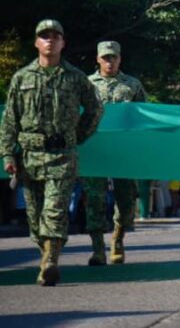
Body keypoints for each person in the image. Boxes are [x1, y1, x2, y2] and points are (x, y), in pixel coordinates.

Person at [1, 19, 103, 286]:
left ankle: (50, 261)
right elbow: (10, 118)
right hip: (30, 157)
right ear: (36, 42)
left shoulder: (75, 77)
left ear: (62, 43)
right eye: (44, 36)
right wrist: (8, 155)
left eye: (55, 36)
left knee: (55, 210)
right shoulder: (22, 77)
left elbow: (95, 109)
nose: (50, 40)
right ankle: (45, 251)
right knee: (35, 218)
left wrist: (78, 136)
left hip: (62, 156)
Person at [82, 40, 147, 266]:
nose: (110, 61)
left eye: (114, 57)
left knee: (126, 199)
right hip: (96, 149)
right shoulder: (86, 84)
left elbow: (144, 116)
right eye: (105, 57)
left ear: (120, 59)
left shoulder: (132, 85)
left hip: (124, 151)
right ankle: (97, 248)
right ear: (98, 59)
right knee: (94, 199)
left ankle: (118, 238)